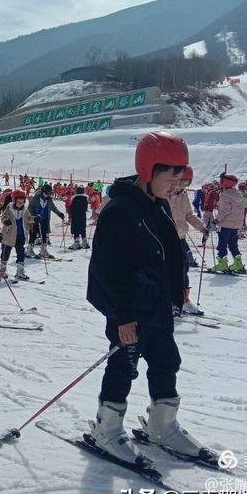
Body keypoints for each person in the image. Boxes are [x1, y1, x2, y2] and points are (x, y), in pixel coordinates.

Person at [87, 130, 205, 465]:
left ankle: (162, 424)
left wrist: (177, 291)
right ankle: (107, 428)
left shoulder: (158, 206)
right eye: (171, 175)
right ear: (149, 169)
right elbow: (110, 269)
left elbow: (170, 252)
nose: (176, 183)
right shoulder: (120, 210)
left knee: (167, 360)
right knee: (124, 365)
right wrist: (123, 316)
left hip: (157, 307)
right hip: (129, 311)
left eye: (180, 176)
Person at [167, 166, 208, 313]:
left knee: (184, 269)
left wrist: (202, 228)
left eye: (186, 183)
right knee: (168, 271)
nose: (182, 186)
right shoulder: (163, 194)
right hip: (166, 240)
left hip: (181, 238)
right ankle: (169, 300)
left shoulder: (183, 195)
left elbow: (189, 215)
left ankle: (184, 300)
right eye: (181, 182)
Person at [209, 173, 245, 273]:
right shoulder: (238, 194)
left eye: (221, 181)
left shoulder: (225, 195)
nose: (220, 183)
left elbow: (224, 211)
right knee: (233, 244)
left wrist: (216, 220)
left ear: (225, 182)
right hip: (236, 225)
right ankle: (238, 263)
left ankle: (222, 264)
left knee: (222, 245)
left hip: (225, 224)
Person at [28, 184, 65, 259]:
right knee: (33, 234)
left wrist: (59, 213)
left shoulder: (49, 199)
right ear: (42, 192)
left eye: (49, 194)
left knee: (44, 235)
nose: (47, 195)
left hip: (44, 220)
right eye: (46, 193)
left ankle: (43, 250)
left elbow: (53, 208)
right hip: (36, 219)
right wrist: (33, 216)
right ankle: (30, 250)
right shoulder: (36, 198)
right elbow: (30, 208)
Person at [0, 189, 29, 280]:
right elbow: (3, 218)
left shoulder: (25, 209)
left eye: (22, 202)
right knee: (6, 252)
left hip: (20, 235)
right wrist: (6, 221)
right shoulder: (9, 208)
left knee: (21, 252)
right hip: (9, 234)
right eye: (18, 202)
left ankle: (20, 271)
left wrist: (35, 219)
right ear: (14, 200)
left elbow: (29, 218)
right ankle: (3, 268)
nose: (21, 204)